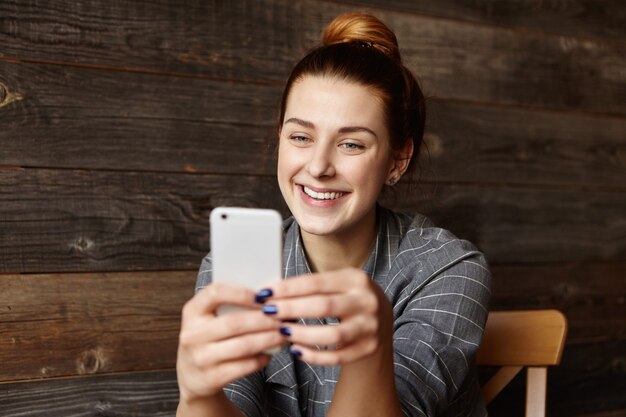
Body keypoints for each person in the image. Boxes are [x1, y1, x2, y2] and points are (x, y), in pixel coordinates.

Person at [176, 12, 491, 417]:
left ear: (398, 160)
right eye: (301, 137)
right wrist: (199, 396)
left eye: (352, 144)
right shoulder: (233, 270)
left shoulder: (450, 270)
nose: (319, 166)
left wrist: (369, 347)